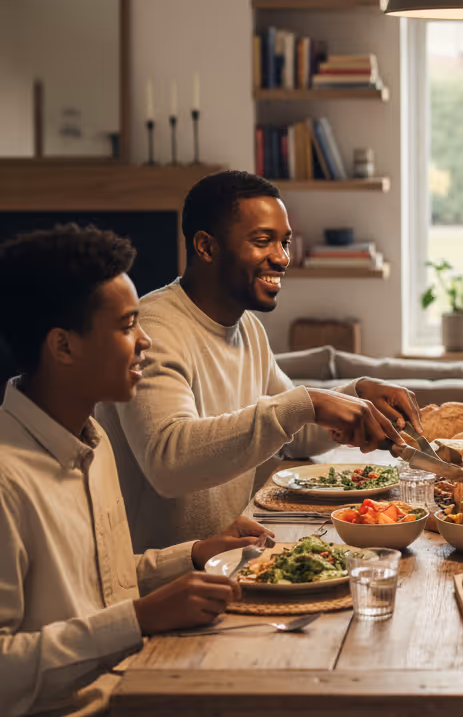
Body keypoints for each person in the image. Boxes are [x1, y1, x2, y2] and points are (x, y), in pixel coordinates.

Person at [0, 224, 277, 717]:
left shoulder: (91, 438)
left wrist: (193, 554)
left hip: (139, 682)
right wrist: (139, 619)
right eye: (128, 325)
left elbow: (98, 584)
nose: (145, 341)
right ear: (63, 347)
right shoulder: (7, 479)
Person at [97, 171, 422, 550]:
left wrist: (356, 394)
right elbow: (168, 462)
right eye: (262, 241)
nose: (283, 258)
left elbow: (296, 429)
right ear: (206, 246)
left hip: (226, 562)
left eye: (284, 242)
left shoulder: (246, 326)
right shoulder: (155, 329)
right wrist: (310, 403)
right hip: (160, 584)